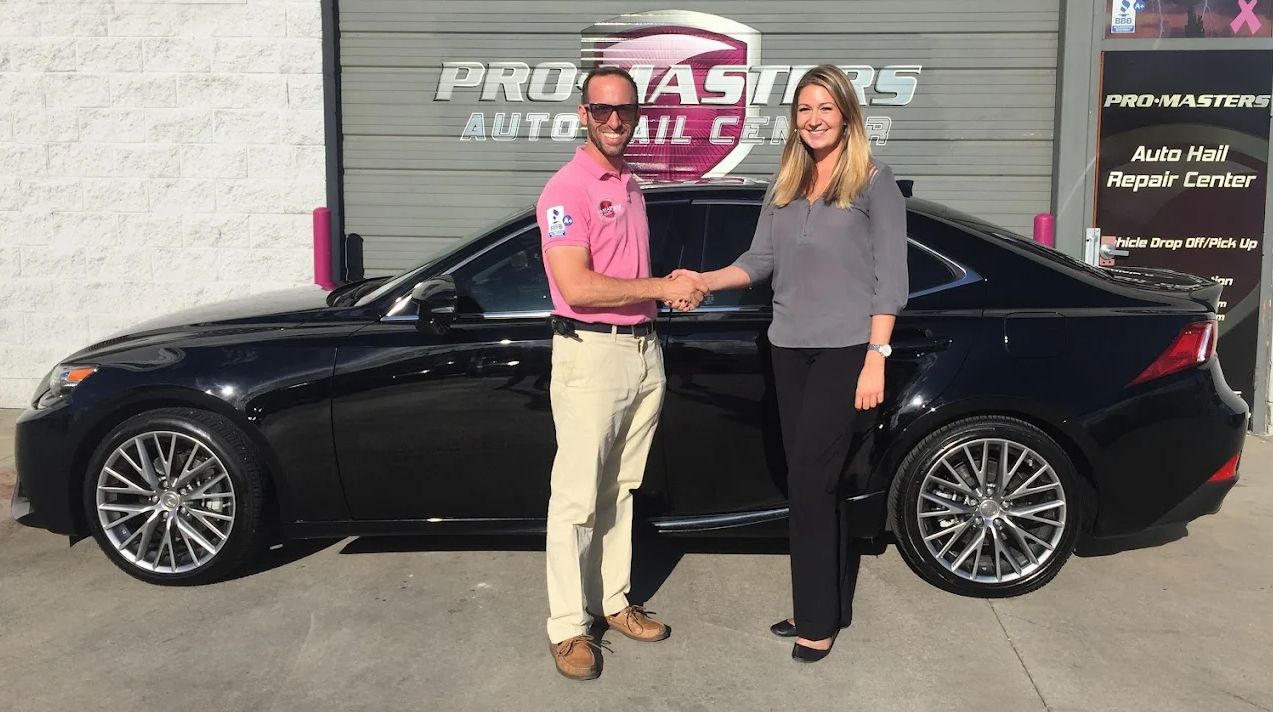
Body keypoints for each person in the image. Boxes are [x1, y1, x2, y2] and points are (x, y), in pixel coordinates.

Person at [671, 64, 908, 663]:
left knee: (808, 479)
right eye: (805, 109)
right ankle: (820, 602)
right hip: (788, 348)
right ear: (794, 119)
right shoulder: (785, 185)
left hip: (845, 350)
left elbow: (891, 280)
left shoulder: (873, 183)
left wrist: (876, 356)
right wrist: (703, 280)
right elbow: (756, 262)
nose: (815, 118)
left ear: (847, 115)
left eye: (826, 107)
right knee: (812, 484)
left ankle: (818, 621)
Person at [537, 66, 706, 681]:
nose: (614, 120)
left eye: (625, 111)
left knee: (621, 490)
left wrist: (666, 297)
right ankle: (566, 627)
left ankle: (612, 603)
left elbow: (627, 277)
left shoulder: (630, 185)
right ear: (583, 113)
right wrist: (662, 287)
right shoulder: (567, 190)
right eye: (603, 110)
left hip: (640, 351)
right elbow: (577, 285)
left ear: (637, 116)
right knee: (577, 497)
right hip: (591, 355)